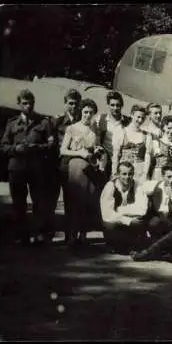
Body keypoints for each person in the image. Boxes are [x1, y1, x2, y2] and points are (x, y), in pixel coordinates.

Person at [0, 89, 54, 245]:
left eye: (31, 103)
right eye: (24, 103)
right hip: (17, 168)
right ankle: (21, 236)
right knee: (19, 204)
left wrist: (36, 147)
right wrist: (15, 149)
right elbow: (3, 146)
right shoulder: (11, 124)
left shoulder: (44, 122)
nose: (28, 106)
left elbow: (51, 145)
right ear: (19, 104)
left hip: (36, 168)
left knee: (38, 202)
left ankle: (38, 234)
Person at [60, 98, 107, 246]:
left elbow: (97, 147)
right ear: (81, 112)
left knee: (87, 200)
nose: (87, 115)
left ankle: (83, 234)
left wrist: (98, 150)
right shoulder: (72, 128)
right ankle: (71, 235)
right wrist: (79, 153)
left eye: (91, 112)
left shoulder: (95, 130)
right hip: (75, 166)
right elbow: (63, 150)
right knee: (74, 200)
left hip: (91, 166)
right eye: (85, 112)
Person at [47, 88, 82, 238]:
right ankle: (48, 233)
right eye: (70, 103)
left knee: (71, 201)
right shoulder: (57, 121)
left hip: (72, 167)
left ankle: (70, 235)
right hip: (57, 166)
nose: (73, 107)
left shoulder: (82, 120)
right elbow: (50, 144)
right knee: (51, 201)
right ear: (65, 103)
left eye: (76, 104)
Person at [100, 161, 150, 254]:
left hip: (130, 223)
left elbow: (142, 209)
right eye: (124, 174)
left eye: (130, 174)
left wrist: (120, 210)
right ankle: (115, 245)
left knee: (140, 221)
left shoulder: (137, 185)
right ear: (118, 174)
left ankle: (129, 245)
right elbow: (107, 214)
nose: (127, 177)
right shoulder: (110, 186)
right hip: (117, 223)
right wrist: (127, 220)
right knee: (108, 224)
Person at [112, 104, 152, 182]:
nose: (140, 120)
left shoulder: (147, 136)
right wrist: (114, 173)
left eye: (143, 118)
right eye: (138, 117)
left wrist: (145, 174)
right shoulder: (121, 132)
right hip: (124, 171)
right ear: (132, 115)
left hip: (139, 172)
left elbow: (147, 156)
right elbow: (116, 155)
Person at [94, 91, 127, 177]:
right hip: (104, 160)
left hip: (121, 161)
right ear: (108, 105)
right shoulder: (100, 118)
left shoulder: (127, 121)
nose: (115, 108)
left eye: (118, 105)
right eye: (112, 105)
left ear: (121, 106)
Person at [149, 115, 172, 182]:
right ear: (163, 127)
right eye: (168, 128)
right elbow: (151, 160)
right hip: (159, 174)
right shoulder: (157, 142)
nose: (171, 131)